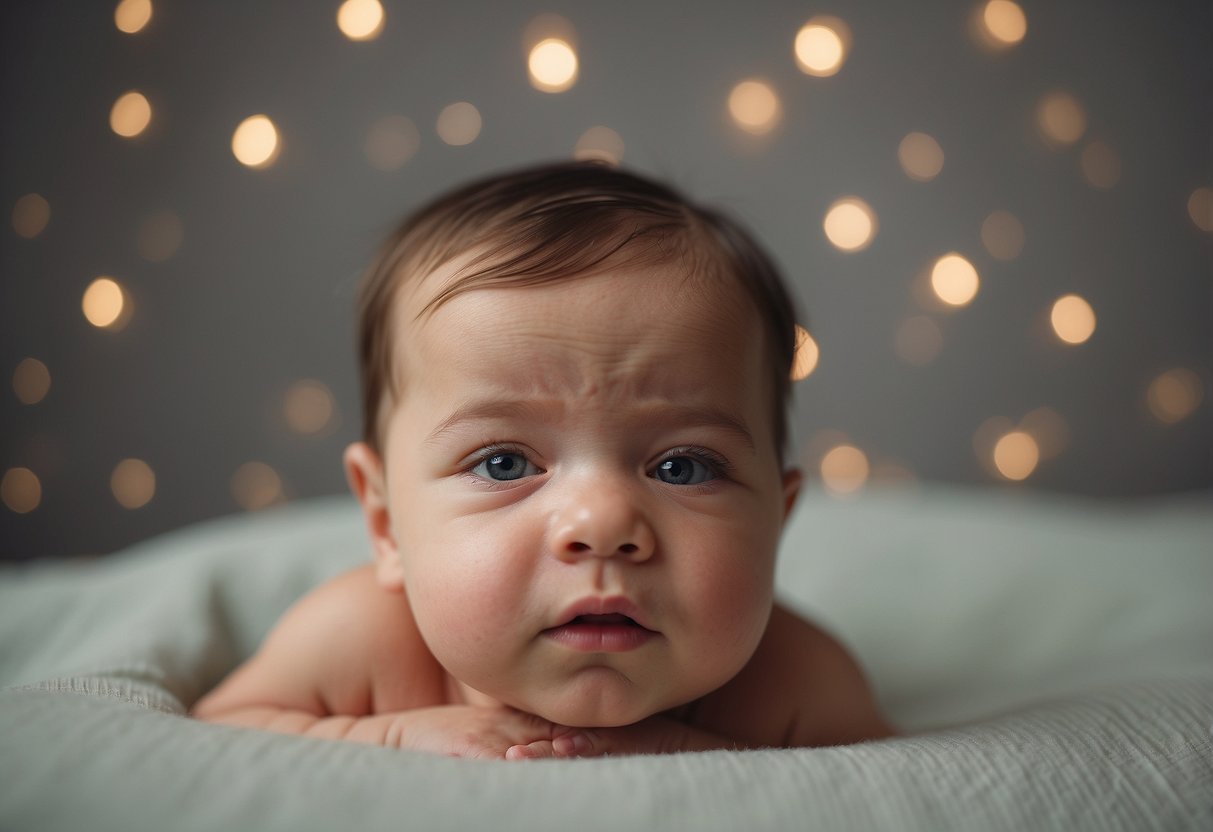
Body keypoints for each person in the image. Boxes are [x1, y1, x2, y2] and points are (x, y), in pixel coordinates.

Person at [192, 161, 893, 758]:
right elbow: (220, 736)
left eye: (683, 467)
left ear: (777, 517)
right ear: (385, 523)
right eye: (503, 463)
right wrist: (388, 738)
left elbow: (883, 785)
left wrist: (701, 758)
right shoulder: (358, 640)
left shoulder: (797, 682)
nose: (601, 524)